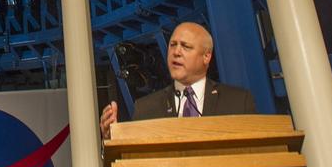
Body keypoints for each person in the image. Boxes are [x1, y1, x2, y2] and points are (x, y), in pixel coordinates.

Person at [100, 22, 257, 132]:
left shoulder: (238, 101)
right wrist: (113, 139)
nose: (176, 52)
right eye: (172, 45)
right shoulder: (146, 109)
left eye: (186, 46)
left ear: (206, 56)